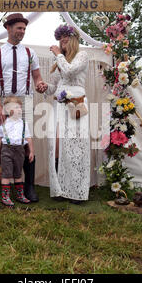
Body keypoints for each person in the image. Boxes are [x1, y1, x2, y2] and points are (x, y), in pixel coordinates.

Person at [0, 13, 47, 203]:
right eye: (19, 28)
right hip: (4, 100)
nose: (22, 32)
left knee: (25, 140)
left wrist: (40, 83)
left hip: (25, 100)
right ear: (8, 28)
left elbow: (37, 76)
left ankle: (29, 187)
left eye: (24, 29)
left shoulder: (30, 53)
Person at [43, 24, 91, 204]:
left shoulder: (82, 56)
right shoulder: (59, 62)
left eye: (66, 37)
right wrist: (44, 88)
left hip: (76, 105)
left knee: (75, 147)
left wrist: (58, 54)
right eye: (60, 38)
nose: (62, 41)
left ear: (74, 39)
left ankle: (77, 190)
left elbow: (71, 71)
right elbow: (54, 86)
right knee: (56, 145)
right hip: (59, 106)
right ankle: (60, 188)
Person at [0, 96, 34, 207]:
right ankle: (5, 197)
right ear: (9, 110)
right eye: (17, 107)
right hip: (6, 150)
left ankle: (20, 195)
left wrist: (31, 152)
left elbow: (29, 138)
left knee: (18, 173)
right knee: (6, 173)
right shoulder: (3, 123)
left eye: (20, 107)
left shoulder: (24, 123)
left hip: (20, 150)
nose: (20, 109)